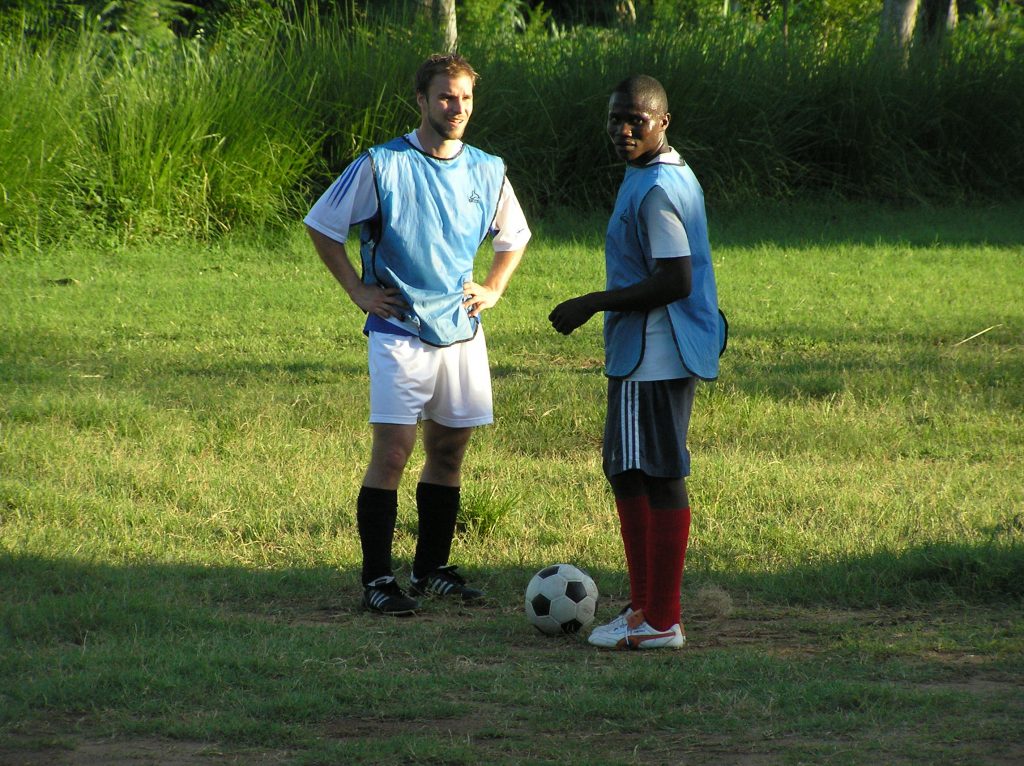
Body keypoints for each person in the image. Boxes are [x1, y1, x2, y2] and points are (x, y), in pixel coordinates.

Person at [305, 53, 531, 616]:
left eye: (467, 98)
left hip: (462, 331)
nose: (457, 108)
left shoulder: (487, 167)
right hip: (398, 330)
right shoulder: (382, 163)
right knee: (394, 453)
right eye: (446, 97)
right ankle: (378, 580)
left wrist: (495, 288)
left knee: (450, 448)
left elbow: (515, 235)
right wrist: (359, 290)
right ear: (422, 101)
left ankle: (431, 570)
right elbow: (322, 225)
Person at [549, 75, 726, 649]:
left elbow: (675, 278)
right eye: (615, 120)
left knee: (651, 474)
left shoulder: (654, 190)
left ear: (663, 122)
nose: (623, 130)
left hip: (650, 350)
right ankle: (648, 603)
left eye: (637, 120)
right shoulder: (665, 173)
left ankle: (658, 619)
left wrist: (590, 303)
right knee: (631, 469)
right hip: (663, 347)